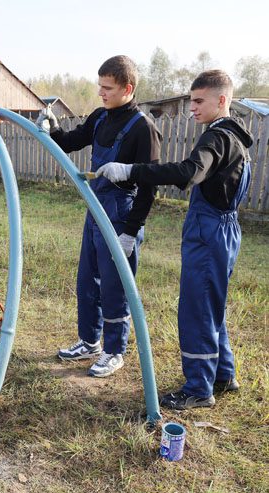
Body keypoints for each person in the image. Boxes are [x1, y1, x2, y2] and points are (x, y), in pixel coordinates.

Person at [96, 70, 252, 409]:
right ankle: (223, 374)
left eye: (198, 101)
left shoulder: (216, 138)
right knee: (212, 305)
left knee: (196, 308)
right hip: (225, 230)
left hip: (209, 233)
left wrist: (131, 170)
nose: (191, 108)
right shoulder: (236, 137)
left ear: (221, 100)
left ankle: (198, 388)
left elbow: (188, 173)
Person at [38, 55, 162, 378]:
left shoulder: (142, 129)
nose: (100, 93)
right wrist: (52, 128)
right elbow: (70, 142)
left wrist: (131, 232)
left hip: (122, 214)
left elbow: (149, 189)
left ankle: (114, 350)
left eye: (107, 88)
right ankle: (90, 340)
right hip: (95, 208)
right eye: (100, 86)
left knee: (114, 286)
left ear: (128, 88)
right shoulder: (100, 118)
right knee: (87, 280)